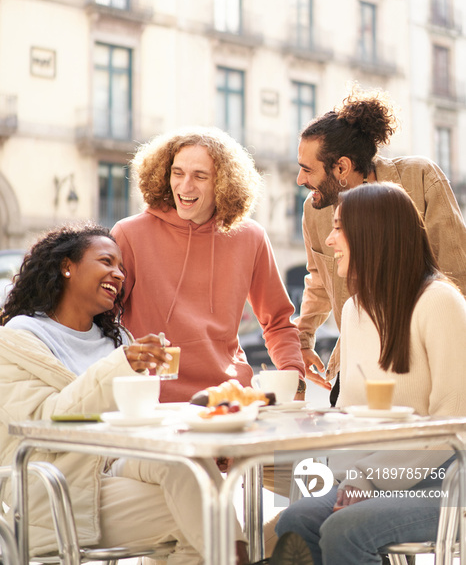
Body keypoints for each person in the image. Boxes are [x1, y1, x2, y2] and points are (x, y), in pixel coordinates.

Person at [0, 223, 249, 565]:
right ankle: (243, 557)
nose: (118, 274)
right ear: (66, 266)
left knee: (189, 466)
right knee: (198, 515)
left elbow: (138, 421)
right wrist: (119, 365)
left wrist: (202, 449)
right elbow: (46, 422)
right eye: (106, 261)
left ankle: (239, 556)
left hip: (115, 468)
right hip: (59, 486)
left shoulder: (118, 342)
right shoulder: (17, 340)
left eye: (121, 268)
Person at [276, 182, 466, 564]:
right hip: (380, 474)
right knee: (295, 520)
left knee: (346, 528)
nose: (329, 241)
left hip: (447, 481)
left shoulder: (440, 303)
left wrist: (367, 479)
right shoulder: (355, 310)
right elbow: (354, 415)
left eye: (338, 227)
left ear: (372, 234)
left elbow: (453, 424)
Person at [295, 84, 466, 400]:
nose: (300, 179)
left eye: (307, 169)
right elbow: (319, 279)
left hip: (418, 353)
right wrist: (302, 339)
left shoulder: (421, 178)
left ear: (342, 168)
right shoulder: (313, 210)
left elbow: (459, 273)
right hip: (356, 358)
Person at [112, 126, 306, 404]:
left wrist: (293, 377)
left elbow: (278, 322)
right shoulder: (129, 235)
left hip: (230, 399)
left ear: (223, 183)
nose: (185, 186)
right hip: (153, 401)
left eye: (199, 176)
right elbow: (101, 321)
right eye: (177, 173)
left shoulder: (251, 237)